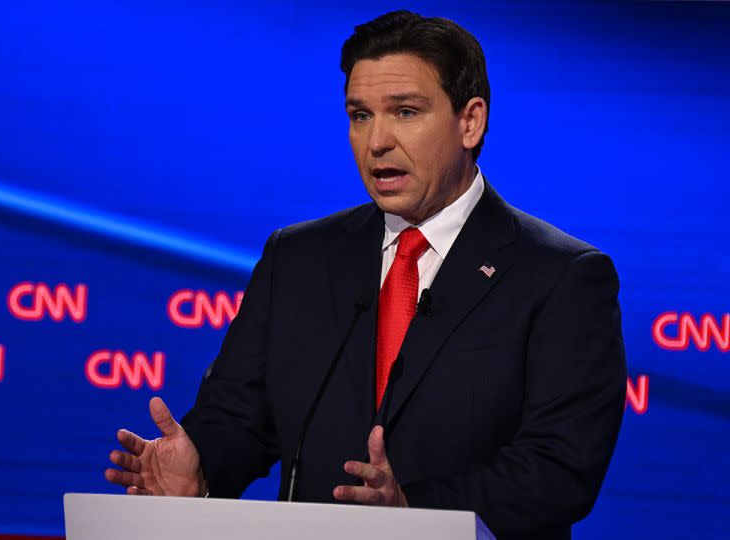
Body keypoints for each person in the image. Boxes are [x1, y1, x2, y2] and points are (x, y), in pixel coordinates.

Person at [104, 10, 626, 540]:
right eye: (359, 115)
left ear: (470, 121)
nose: (376, 141)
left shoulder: (562, 277)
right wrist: (202, 468)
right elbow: (240, 416)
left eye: (404, 112)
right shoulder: (298, 257)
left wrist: (416, 512)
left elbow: (558, 470)